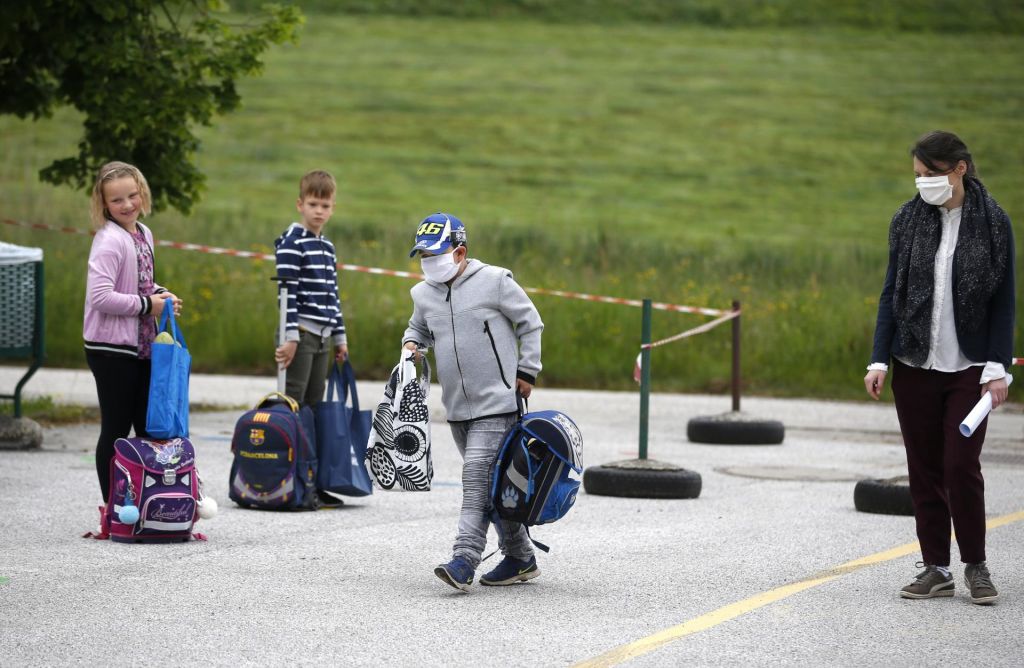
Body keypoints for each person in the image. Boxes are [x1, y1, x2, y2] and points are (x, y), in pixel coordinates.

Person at [865, 131, 1015, 605]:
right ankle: (935, 567)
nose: (922, 183)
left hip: (969, 366)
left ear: (959, 169)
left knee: (960, 465)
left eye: (930, 174)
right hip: (914, 362)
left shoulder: (994, 223)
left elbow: (1005, 302)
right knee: (924, 468)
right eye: (917, 175)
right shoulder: (906, 221)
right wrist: (878, 358)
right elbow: (891, 293)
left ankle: (976, 565)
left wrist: (997, 367)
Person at [402, 212, 545, 592]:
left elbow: (530, 322)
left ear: (460, 252)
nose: (428, 263)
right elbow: (419, 327)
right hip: (457, 410)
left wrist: (528, 369)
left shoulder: (495, 281)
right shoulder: (423, 294)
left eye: (435, 255)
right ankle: (520, 556)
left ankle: (465, 558)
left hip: (498, 403)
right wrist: (412, 345)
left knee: (475, 478)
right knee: (492, 486)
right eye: (422, 257)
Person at [83, 161, 182, 531]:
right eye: (116, 200)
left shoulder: (144, 233)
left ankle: (143, 503)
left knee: (147, 426)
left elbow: (141, 283)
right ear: (104, 204)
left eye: (132, 195)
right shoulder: (108, 241)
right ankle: (112, 510)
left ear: (142, 192)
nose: (126, 204)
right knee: (116, 427)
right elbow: (100, 297)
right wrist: (147, 305)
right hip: (110, 348)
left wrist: (161, 295)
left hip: (142, 345)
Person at [273, 169, 349, 508]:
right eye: (313, 204)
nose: (319, 211)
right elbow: (286, 294)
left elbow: (333, 295)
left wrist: (339, 337)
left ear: (333, 208)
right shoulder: (292, 242)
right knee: (291, 403)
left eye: (325, 205)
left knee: (315, 410)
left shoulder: (327, 247)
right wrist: (290, 336)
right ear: (300, 204)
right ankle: (283, 475)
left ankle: (311, 482)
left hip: (322, 337)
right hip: (300, 335)